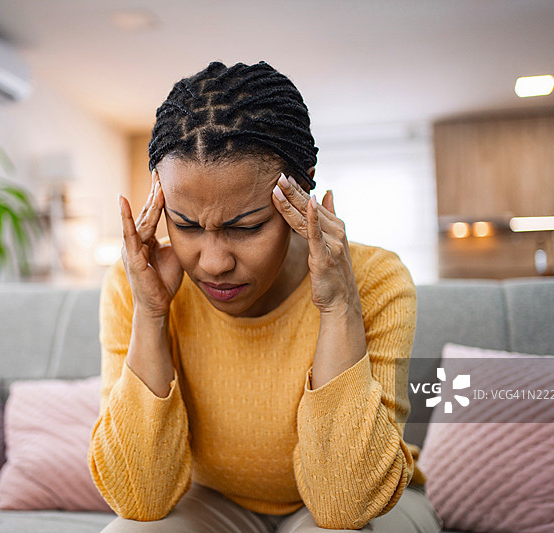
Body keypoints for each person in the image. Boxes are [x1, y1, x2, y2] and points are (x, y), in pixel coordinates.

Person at [88, 61, 442, 533]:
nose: (212, 262)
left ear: (301, 189)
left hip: (372, 503)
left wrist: (338, 308)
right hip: (213, 499)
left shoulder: (375, 278)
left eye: (246, 226)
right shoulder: (139, 280)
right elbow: (138, 498)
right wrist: (152, 313)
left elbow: (348, 504)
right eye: (187, 224)